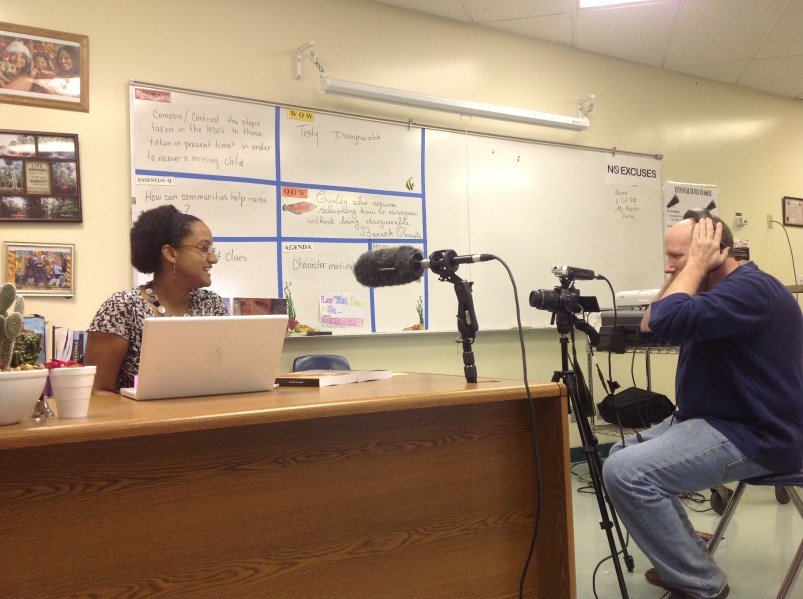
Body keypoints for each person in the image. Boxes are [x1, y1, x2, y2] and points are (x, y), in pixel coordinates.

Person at [602, 212, 803, 599]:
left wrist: (693, 265)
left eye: (678, 255)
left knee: (627, 472)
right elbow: (650, 324)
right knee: (618, 454)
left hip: (758, 435)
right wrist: (686, 269)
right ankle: (686, 557)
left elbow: (668, 320)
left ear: (719, 252)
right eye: (669, 256)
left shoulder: (750, 290)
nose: (668, 265)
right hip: (714, 421)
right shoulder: (714, 291)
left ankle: (701, 586)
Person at [84, 205, 228, 392]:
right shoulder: (122, 308)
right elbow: (97, 392)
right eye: (204, 248)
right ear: (171, 253)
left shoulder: (212, 304)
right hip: (139, 412)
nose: (213, 258)